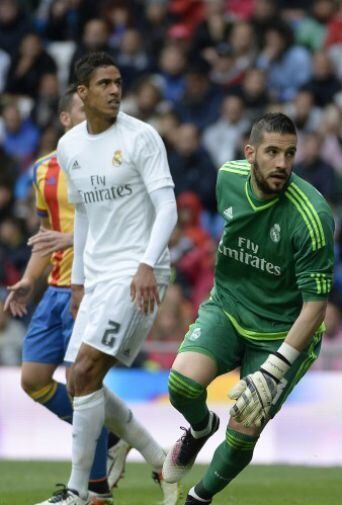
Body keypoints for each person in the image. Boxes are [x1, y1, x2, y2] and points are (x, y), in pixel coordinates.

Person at [162, 113, 335, 505]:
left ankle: (198, 499)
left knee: (245, 429)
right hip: (228, 305)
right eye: (272, 152)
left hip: (282, 331)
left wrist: (275, 369)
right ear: (250, 153)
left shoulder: (313, 217)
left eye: (290, 154)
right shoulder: (227, 178)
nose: (282, 164)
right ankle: (201, 427)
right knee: (181, 386)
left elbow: (316, 306)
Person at [36, 52, 178, 505]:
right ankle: (159, 460)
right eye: (104, 84)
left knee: (85, 370)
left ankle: (79, 493)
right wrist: (78, 282)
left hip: (140, 271)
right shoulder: (70, 146)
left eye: (118, 82)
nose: (115, 90)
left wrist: (145, 265)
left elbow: (168, 209)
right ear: (83, 93)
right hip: (96, 277)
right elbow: (84, 219)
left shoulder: (142, 137)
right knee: (79, 382)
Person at [5, 86, 130, 503]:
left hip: (93, 289)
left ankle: (92, 492)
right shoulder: (44, 172)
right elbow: (46, 237)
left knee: (83, 385)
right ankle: (110, 438)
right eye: (82, 108)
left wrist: (69, 238)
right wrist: (28, 280)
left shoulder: (112, 167)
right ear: (64, 119)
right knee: (34, 381)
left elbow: (118, 227)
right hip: (55, 290)